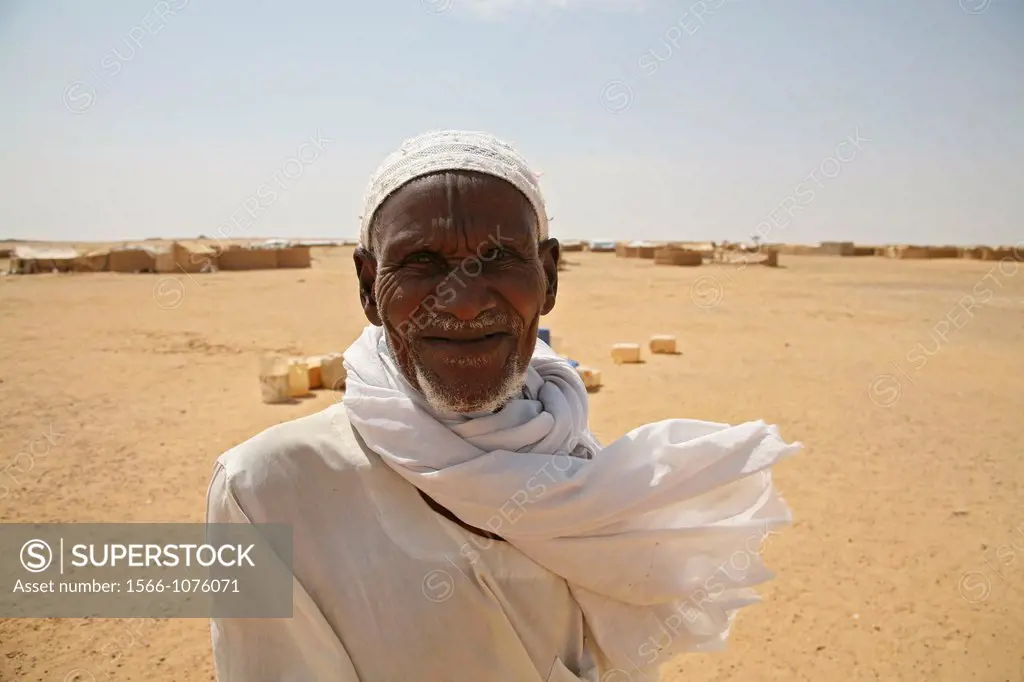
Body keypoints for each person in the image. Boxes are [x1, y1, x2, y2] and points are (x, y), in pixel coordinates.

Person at [206, 130, 799, 681]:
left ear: (548, 276)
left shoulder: (577, 464)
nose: (463, 304)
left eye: (497, 260)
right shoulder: (265, 490)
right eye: (421, 263)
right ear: (368, 285)